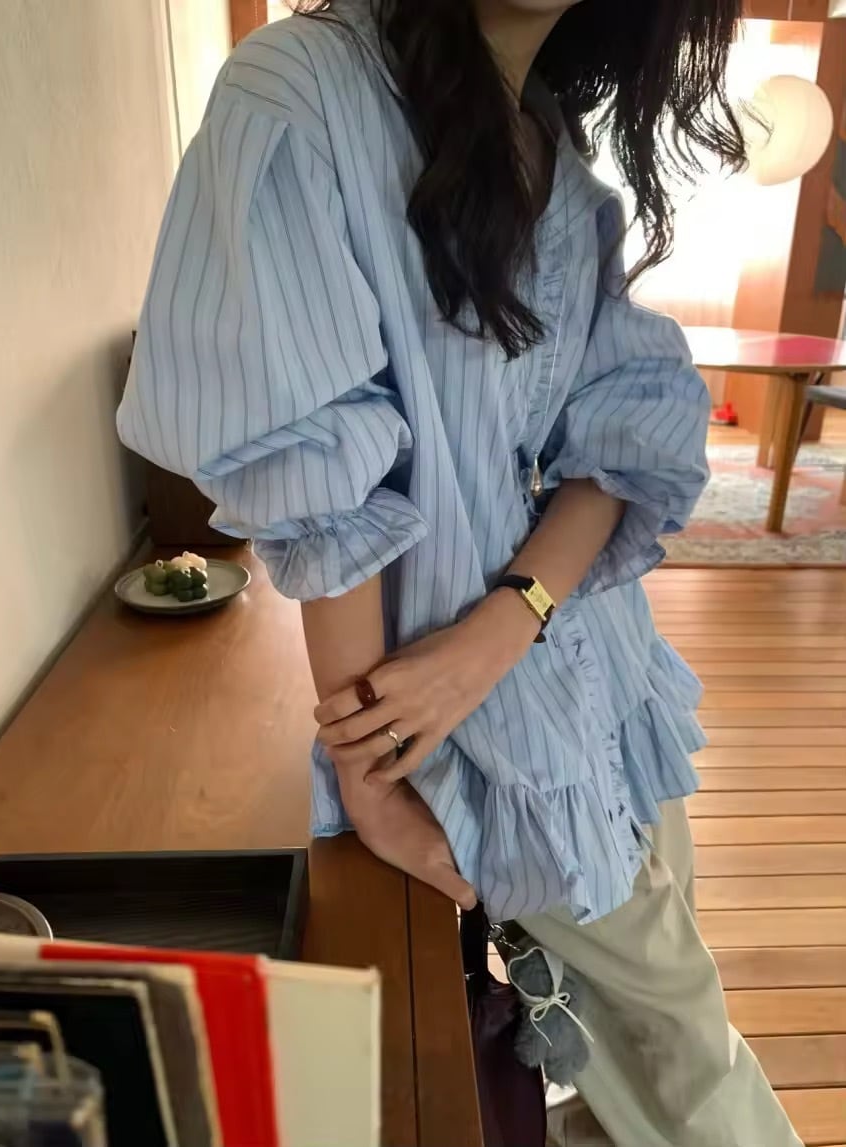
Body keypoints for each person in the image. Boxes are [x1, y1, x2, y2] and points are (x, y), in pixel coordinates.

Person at [118, 1, 803, 1143]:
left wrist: (503, 625)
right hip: (484, 745)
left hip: (606, 680)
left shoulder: (551, 139)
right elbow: (318, 475)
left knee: (637, 1067)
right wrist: (373, 774)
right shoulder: (301, 94)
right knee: (690, 1075)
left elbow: (613, 444)